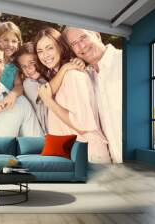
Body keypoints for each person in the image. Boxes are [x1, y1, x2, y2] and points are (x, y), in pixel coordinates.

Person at [35, 27, 111, 163]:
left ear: (60, 47)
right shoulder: (61, 75)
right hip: (74, 154)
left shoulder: (74, 75)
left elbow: (81, 124)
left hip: (89, 155)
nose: (45, 55)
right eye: (40, 51)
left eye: (49, 48)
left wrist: (49, 102)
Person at [62, 27, 122, 163]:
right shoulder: (87, 76)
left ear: (97, 35)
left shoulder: (124, 61)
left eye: (83, 37)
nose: (81, 46)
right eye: (73, 44)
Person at [13, 42, 85, 134]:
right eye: (24, 66)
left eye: (32, 63)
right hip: (47, 133)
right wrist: (65, 68)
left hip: (64, 126)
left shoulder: (49, 76)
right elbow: (46, 92)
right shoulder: (28, 84)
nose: (28, 68)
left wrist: (77, 62)